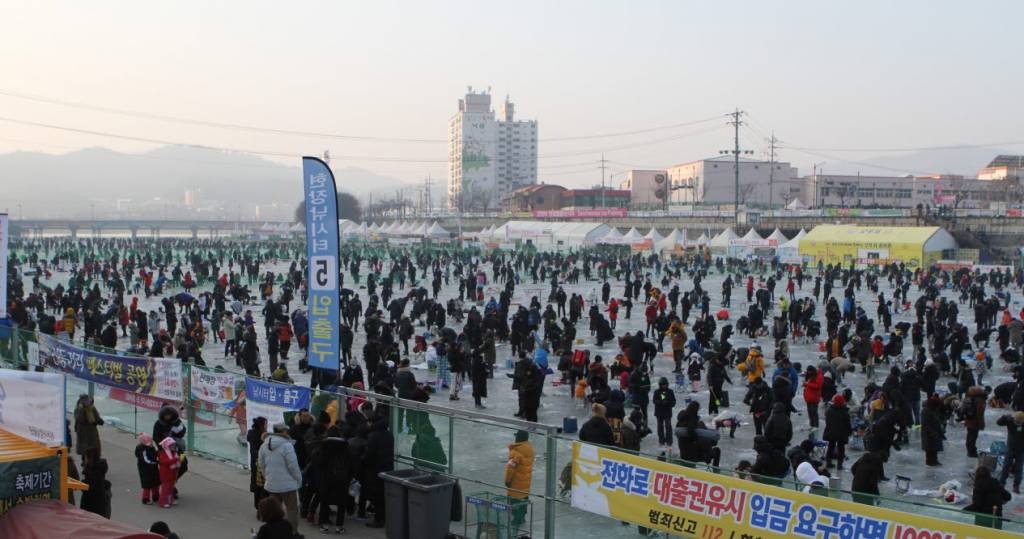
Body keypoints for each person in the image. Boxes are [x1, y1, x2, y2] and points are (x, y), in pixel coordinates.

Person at [258, 423, 302, 536]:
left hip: (272, 484)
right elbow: (293, 465)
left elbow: (261, 465)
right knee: (291, 509)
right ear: (283, 431)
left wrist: (267, 477)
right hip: (288, 485)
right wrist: (298, 479)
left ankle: (273, 533)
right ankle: (292, 533)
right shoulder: (287, 445)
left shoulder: (264, 445)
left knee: (273, 511)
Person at [504, 430, 534, 533]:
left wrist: (507, 480)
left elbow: (510, 468)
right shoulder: (529, 449)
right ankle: (521, 517)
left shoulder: (516, 452)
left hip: (516, 482)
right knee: (523, 498)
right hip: (526, 482)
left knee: (515, 500)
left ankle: (516, 520)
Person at [996, 411, 1024, 494]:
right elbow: (999, 423)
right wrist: (1004, 417)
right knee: (1006, 466)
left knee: (1019, 469)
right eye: (1016, 421)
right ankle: (1001, 483)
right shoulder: (1010, 421)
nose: (1017, 423)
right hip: (1010, 448)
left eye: (1020, 422)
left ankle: (1016, 486)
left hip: (1021, 450)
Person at [822, 394, 851, 470]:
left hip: (831, 433)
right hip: (841, 434)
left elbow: (827, 422)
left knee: (830, 447)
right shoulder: (845, 413)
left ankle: (828, 462)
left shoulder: (829, 411)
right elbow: (848, 425)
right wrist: (849, 432)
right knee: (841, 449)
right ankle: (839, 465)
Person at [74, 394, 103, 465]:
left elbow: (97, 419)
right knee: (88, 450)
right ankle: (87, 464)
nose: (87, 402)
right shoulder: (79, 409)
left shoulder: (91, 408)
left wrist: (98, 421)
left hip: (89, 433)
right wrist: (82, 410)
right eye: (86, 401)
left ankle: (89, 463)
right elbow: (80, 419)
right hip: (86, 433)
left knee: (90, 449)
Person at [247, 417, 269, 510]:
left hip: (256, 462)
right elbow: (254, 450)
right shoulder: (257, 435)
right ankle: (260, 506)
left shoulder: (254, 433)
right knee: (260, 486)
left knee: (259, 486)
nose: (267, 426)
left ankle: (259, 505)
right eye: (265, 424)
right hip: (258, 463)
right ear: (261, 425)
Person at [135, 433, 160, 505]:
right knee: (147, 484)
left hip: (151, 467)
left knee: (155, 481)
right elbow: (146, 460)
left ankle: (156, 496)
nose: (151, 443)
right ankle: (145, 499)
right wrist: (156, 462)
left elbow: (154, 453)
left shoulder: (149, 447)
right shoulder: (143, 449)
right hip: (145, 469)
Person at [921, 396, 944, 467]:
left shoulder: (933, 409)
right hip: (929, 433)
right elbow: (925, 423)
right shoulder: (926, 411)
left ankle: (934, 460)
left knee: (934, 448)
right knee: (930, 449)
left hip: (934, 432)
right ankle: (930, 461)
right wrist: (931, 432)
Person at [652, 377, 676, 447]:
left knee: (668, 426)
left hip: (667, 412)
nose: (664, 386)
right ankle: (661, 440)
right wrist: (660, 402)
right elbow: (654, 400)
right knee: (660, 427)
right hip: (659, 412)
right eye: (663, 385)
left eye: (665, 384)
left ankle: (669, 440)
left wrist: (668, 403)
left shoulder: (670, 391)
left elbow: (674, 401)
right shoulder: (657, 392)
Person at [157, 437, 180, 509]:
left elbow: (176, 461)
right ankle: (163, 502)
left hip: (172, 474)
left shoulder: (174, 453)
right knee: (165, 489)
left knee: (170, 489)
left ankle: (170, 500)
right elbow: (165, 462)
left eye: (174, 445)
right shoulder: (162, 453)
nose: (174, 447)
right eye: (172, 445)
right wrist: (175, 459)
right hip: (165, 475)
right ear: (167, 446)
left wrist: (178, 462)